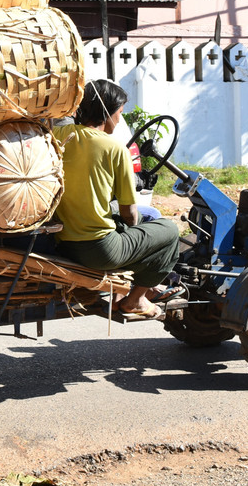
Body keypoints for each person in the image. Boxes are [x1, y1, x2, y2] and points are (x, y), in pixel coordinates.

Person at [53, 80, 181, 320]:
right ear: (107, 113)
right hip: (100, 250)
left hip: (63, 242)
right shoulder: (114, 148)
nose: (120, 120)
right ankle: (136, 299)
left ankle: (125, 291)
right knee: (169, 230)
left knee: (146, 221)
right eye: (119, 113)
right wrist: (139, 237)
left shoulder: (59, 135)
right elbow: (128, 214)